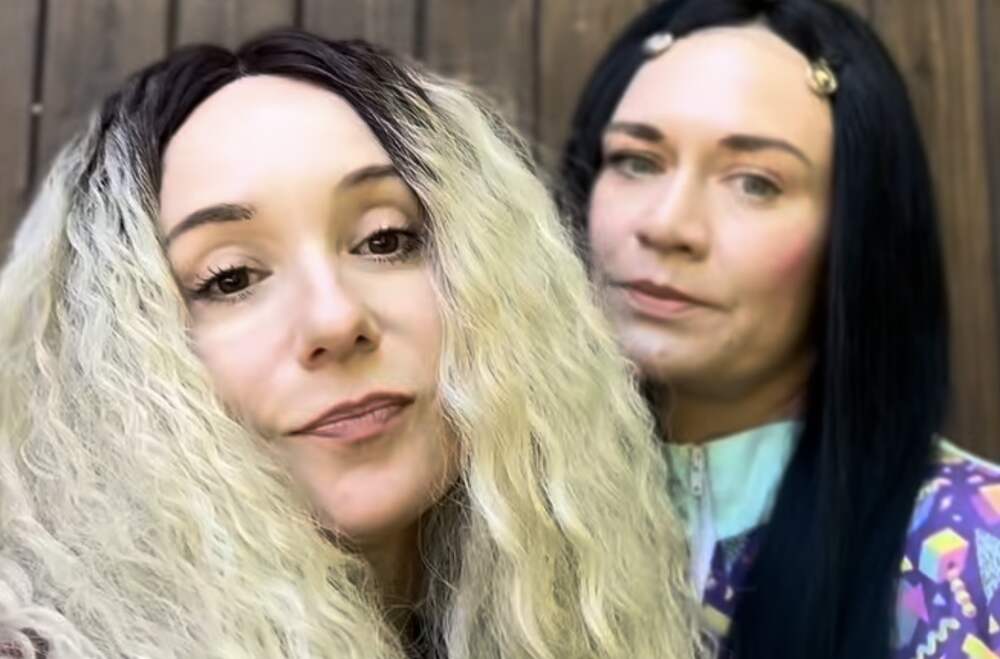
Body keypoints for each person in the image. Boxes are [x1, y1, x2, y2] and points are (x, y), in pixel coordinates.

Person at [0, 31, 700, 658]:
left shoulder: (594, 623)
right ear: (122, 358)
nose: (336, 320)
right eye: (231, 277)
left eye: (385, 240)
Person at [560, 1, 1000, 658]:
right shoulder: (501, 514)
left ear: (854, 235)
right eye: (637, 161)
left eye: (756, 183)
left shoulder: (973, 545)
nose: (667, 224)